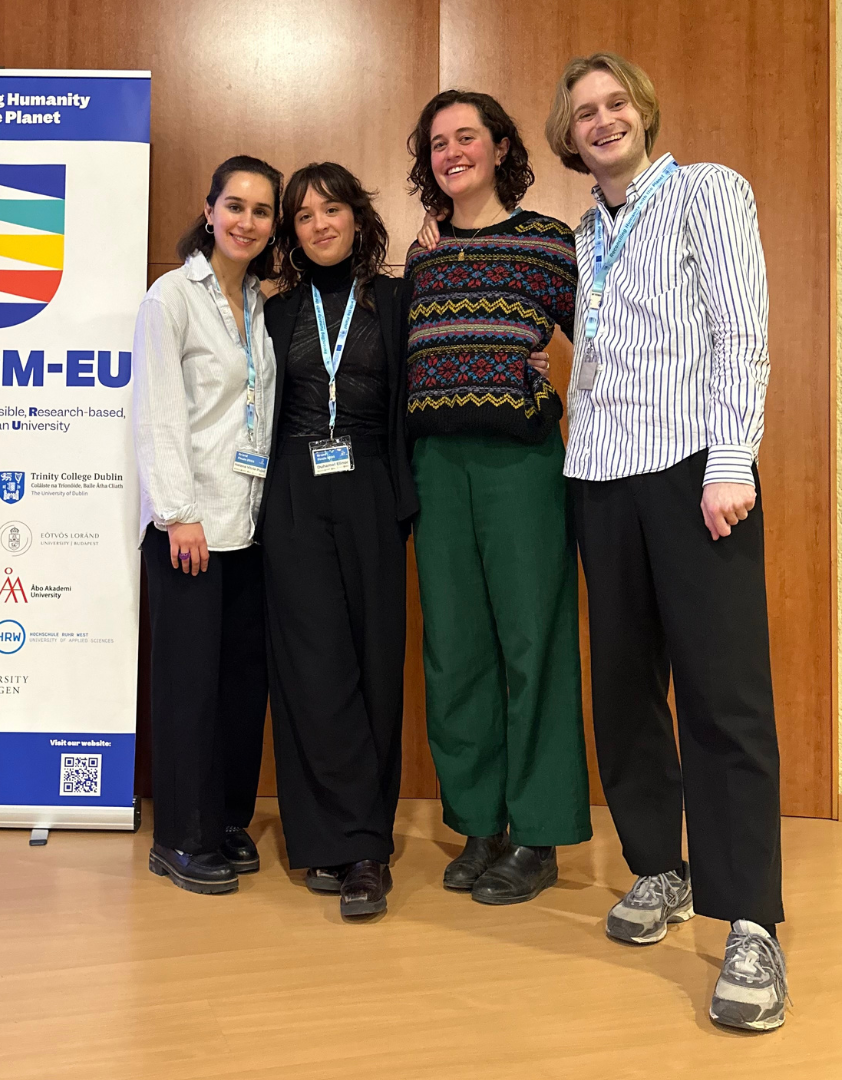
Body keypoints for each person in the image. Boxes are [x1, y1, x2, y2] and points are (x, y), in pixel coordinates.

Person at [545, 53, 786, 1031]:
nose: (602, 121)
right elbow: (605, 342)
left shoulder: (706, 192)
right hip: (599, 479)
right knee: (625, 691)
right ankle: (661, 869)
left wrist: (733, 459)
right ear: (570, 138)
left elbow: (742, 333)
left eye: (615, 105)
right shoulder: (581, 233)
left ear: (643, 112)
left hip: (696, 472)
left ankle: (753, 926)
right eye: (584, 113)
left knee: (725, 700)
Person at [404, 90, 592, 907]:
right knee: (454, 650)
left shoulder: (550, 242)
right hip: (436, 467)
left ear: (501, 146)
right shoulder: (421, 257)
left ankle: (541, 832)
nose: (452, 152)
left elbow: (605, 343)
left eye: (466, 137)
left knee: (533, 645)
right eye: (438, 142)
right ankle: (480, 825)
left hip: (522, 469)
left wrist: (571, 410)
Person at [258, 162, 418, 918]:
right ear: (290, 234)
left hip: (371, 492)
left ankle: (367, 844)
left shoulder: (396, 298)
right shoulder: (275, 311)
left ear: (358, 216)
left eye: (333, 208)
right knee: (312, 668)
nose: (320, 223)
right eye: (304, 215)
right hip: (292, 492)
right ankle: (331, 841)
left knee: (372, 664)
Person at [132, 155, 282, 895]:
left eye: (261, 211)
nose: (247, 221)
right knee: (189, 686)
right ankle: (180, 837)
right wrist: (178, 514)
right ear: (209, 208)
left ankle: (224, 818)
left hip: (248, 524)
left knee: (238, 684)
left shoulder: (257, 301)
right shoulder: (173, 297)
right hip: (189, 528)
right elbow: (159, 411)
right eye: (236, 205)